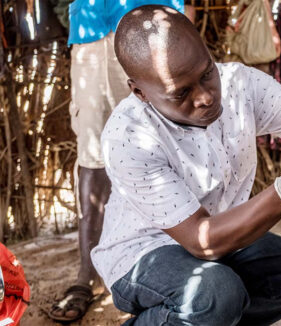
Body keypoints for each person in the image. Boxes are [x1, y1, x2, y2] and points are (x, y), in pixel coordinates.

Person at [91, 5, 281, 325]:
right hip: (143, 253)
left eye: (206, 74)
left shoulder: (239, 85)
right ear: (140, 92)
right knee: (214, 293)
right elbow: (202, 240)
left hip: (221, 235)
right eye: (182, 92)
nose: (205, 96)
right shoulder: (129, 137)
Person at [49, 0, 190, 322]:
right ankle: (88, 274)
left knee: (167, 142)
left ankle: (172, 269)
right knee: (93, 153)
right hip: (94, 30)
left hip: (157, 25)